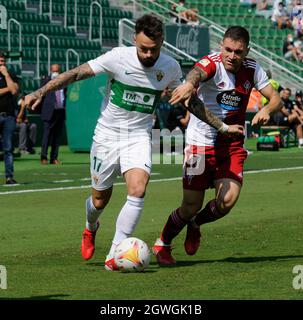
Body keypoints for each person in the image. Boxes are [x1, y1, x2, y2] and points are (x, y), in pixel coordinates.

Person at [24, 14, 243, 271]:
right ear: (134, 40)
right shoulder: (117, 57)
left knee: (138, 190)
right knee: (99, 201)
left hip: (138, 136)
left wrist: (222, 126)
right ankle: (90, 227)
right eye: (143, 49)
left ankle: (115, 253)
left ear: (162, 43)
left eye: (155, 49)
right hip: (107, 136)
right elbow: (76, 74)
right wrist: (40, 92)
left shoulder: (170, 66)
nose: (149, 55)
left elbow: (191, 102)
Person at [152, 26, 283, 265]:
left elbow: (276, 99)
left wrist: (266, 108)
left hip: (231, 145)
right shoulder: (211, 62)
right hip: (198, 144)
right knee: (190, 205)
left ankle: (196, 224)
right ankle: (163, 244)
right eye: (228, 49)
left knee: (227, 201)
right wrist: (189, 84)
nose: (232, 56)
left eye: (238, 52)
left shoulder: (253, 69)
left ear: (247, 52)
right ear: (221, 46)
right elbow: (196, 74)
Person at [39, 64, 67, 165]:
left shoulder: (64, 81)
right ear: (50, 71)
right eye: (54, 71)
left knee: (57, 136)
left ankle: (54, 158)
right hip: (49, 111)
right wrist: (51, 79)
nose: (56, 73)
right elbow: (41, 90)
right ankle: (43, 157)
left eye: (57, 71)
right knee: (46, 135)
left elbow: (66, 93)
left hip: (60, 111)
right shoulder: (46, 80)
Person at [0, 51, 19, 184]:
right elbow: (10, 89)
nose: (2, 64)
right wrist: (8, 88)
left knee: (8, 148)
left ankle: (9, 177)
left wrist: (6, 75)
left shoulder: (11, 75)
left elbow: (14, 90)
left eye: (3, 61)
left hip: (9, 116)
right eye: (0, 61)